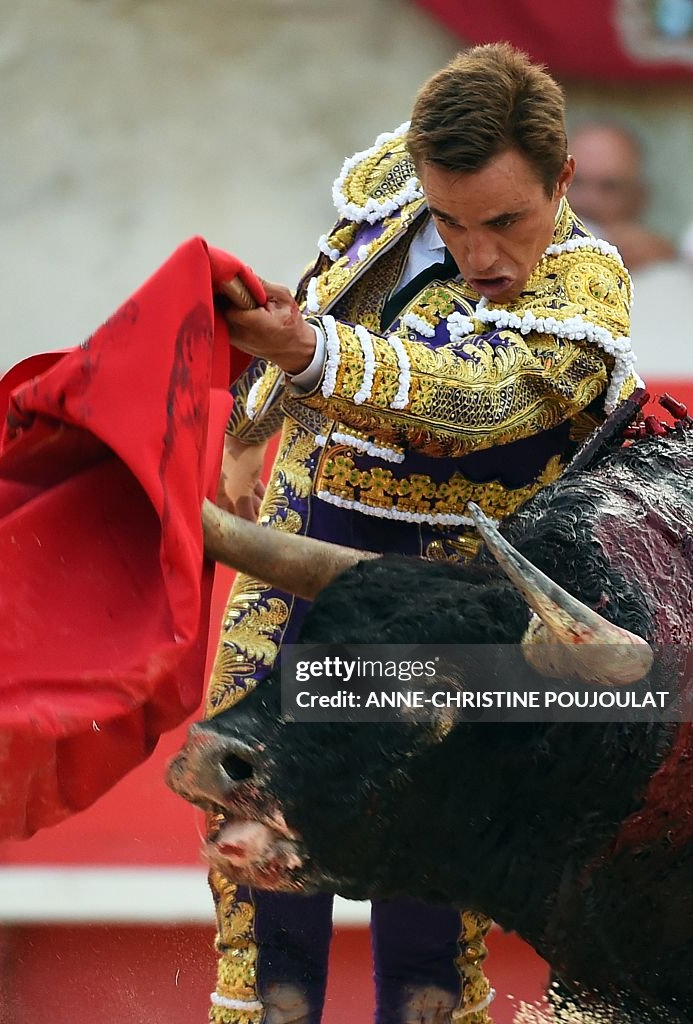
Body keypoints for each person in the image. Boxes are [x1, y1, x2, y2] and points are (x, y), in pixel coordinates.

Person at [206, 43, 640, 1024]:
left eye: (506, 222)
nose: (480, 254)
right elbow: (321, 290)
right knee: (255, 871)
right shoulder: (400, 194)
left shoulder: (585, 290)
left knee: (424, 904)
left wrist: (307, 354)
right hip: (301, 556)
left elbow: (474, 397)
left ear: (562, 180)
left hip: (445, 604)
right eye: (451, 220)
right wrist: (250, 425)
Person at [568, 121, 676, 271]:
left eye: (610, 187)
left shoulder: (659, 269)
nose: (588, 200)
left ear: (638, 198)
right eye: (575, 182)